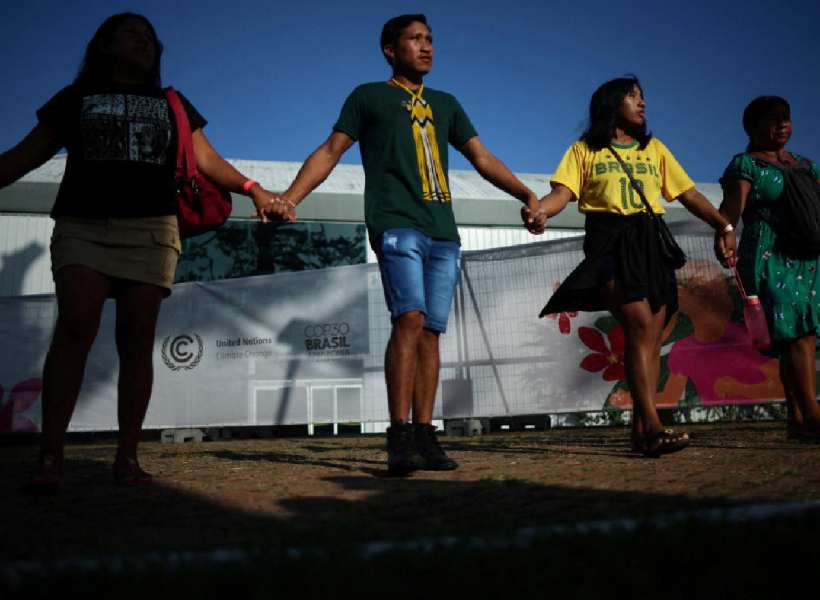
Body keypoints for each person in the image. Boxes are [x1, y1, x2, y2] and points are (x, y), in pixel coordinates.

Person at [0, 13, 282, 492]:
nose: (144, 41)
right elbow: (25, 154)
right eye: (131, 32)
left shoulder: (172, 102)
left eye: (150, 36)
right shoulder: (75, 99)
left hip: (152, 227)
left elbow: (208, 160)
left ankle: (127, 457)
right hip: (83, 225)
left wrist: (254, 189)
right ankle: (51, 457)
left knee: (137, 341)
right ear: (104, 44)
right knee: (75, 329)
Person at [265, 14, 541, 475]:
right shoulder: (369, 96)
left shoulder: (447, 103)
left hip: (442, 231)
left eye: (430, 39)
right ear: (390, 50)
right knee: (408, 318)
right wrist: (290, 197)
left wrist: (527, 194)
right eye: (415, 40)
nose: (427, 47)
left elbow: (481, 156)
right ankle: (398, 436)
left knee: (432, 331)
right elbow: (332, 150)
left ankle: (426, 435)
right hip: (396, 224)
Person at [529, 76, 736, 457]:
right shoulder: (584, 151)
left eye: (643, 97)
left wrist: (723, 225)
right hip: (610, 242)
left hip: (651, 244)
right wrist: (541, 210)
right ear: (611, 105)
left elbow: (688, 193)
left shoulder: (654, 149)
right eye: (632, 97)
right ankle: (654, 426)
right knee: (640, 326)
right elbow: (562, 193)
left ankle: (641, 434)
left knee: (651, 337)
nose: (642, 104)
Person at [716, 96, 820, 441]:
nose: (783, 124)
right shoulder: (745, 165)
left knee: (796, 336)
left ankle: (798, 420)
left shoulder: (805, 164)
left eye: (786, 118)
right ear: (752, 127)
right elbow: (732, 206)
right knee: (797, 336)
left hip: (807, 256)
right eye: (773, 119)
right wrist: (726, 232)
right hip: (767, 256)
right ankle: (814, 416)